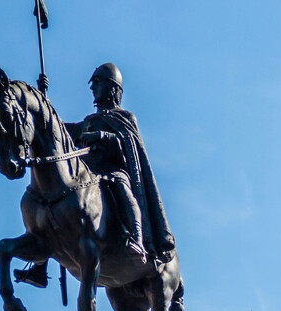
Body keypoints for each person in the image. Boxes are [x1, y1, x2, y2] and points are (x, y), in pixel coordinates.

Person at [16, 63, 176, 288]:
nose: (93, 89)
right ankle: (39, 266)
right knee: (49, 196)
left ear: (112, 89)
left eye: (97, 84)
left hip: (114, 172)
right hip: (88, 175)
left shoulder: (125, 117)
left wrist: (102, 137)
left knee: (124, 193)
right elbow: (57, 131)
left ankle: (137, 241)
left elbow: (128, 144)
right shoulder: (89, 120)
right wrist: (43, 102)